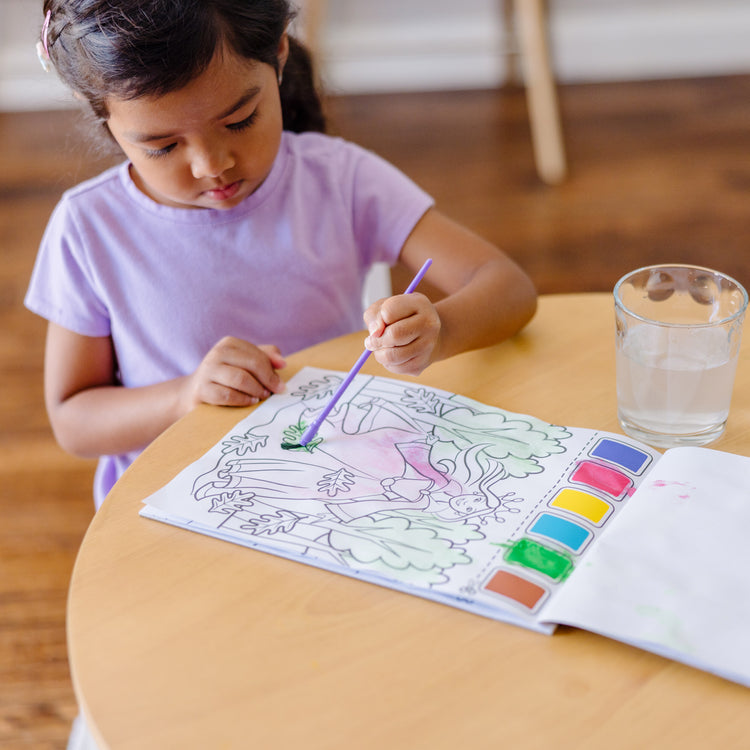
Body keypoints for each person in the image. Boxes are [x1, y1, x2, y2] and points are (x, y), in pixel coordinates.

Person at [26, 0, 538, 513]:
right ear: (99, 110)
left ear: (278, 53)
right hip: (171, 509)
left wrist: (440, 329)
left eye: (240, 120)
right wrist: (185, 397)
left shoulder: (340, 179)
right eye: (162, 146)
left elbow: (507, 286)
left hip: (336, 492)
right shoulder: (89, 227)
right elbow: (75, 420)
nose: (212, 165)